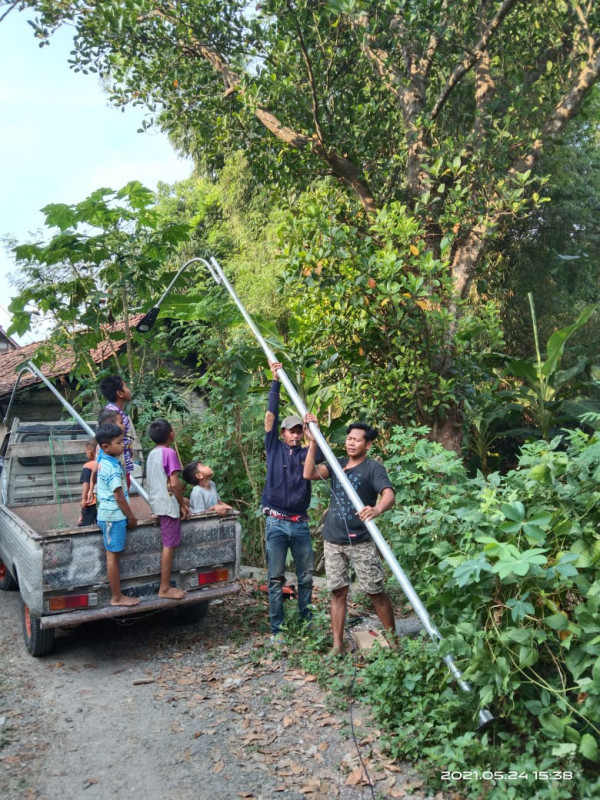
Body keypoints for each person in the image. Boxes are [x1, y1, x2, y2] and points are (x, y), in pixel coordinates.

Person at [303, 422, 397, 655]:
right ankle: (337, 646)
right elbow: (309, 473)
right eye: (349, 439)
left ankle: (394, 641)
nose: (351, 442)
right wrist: (313, 442)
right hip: (333, 540)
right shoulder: (338, 464)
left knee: (375, 590)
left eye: (357, 439)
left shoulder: (373, 468)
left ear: (368, 444)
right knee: (337, 592)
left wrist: (376, 509)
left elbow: (389, 494)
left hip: (361, 541)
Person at [261, 360, 319, 641]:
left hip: (299, 525)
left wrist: (313, 437)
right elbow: (270, 417)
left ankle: (306, 623)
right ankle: (277, 630)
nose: (295, 434)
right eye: (291, 430)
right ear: (283, 433)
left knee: (306, 576)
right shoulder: (273, 448)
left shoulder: (307, 453)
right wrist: (275, 382)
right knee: (275, 579)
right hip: (276, 522)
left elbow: (319, 463)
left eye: (298, 431)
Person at [95, 422, 140, 607]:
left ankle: (117, 595)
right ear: (106, 447)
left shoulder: (104, 460)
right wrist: (131, 517)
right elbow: (118, 495)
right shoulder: (112, 468)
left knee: (112, 555)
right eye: (119, 443)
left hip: (109, 515)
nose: (123, 446)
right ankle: (116, 597)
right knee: (112, 556)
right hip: (113, 517)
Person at [146, 418, 189, 600]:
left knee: (168, 544)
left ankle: (165, 586)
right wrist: (182, 504)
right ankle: (164, 588)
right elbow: (174, 484)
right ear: (171, 434)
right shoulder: (169, 453)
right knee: (169, 546)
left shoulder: (152, 454)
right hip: (168, 505)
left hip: (156, 502)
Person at [99, 375, 136, 487]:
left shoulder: (119, 413)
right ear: (120, 393)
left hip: (123, 461)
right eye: (126, 387)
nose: (129, 389)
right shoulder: (112, 415)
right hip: (117, 463)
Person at [78, 437, 98, 527]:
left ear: (90, 452)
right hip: (101, 501)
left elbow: (86, 483)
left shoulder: (88, 466)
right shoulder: (102, 464)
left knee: (86, 525)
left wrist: (83, 498)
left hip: (91, 502)